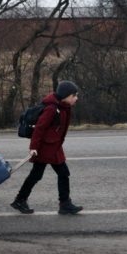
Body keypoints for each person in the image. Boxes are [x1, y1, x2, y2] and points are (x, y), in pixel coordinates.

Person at [11, 80, 84, 215]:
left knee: (60, 174)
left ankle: (64, 204)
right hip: (44, 148)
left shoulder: (63, 107)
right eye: (74, 95)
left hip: (54, 147)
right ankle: (20, 200)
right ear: (66, 96)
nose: (76, 98)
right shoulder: (52, 108)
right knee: (38, 175)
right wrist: (33, 147)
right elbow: (40, 128)